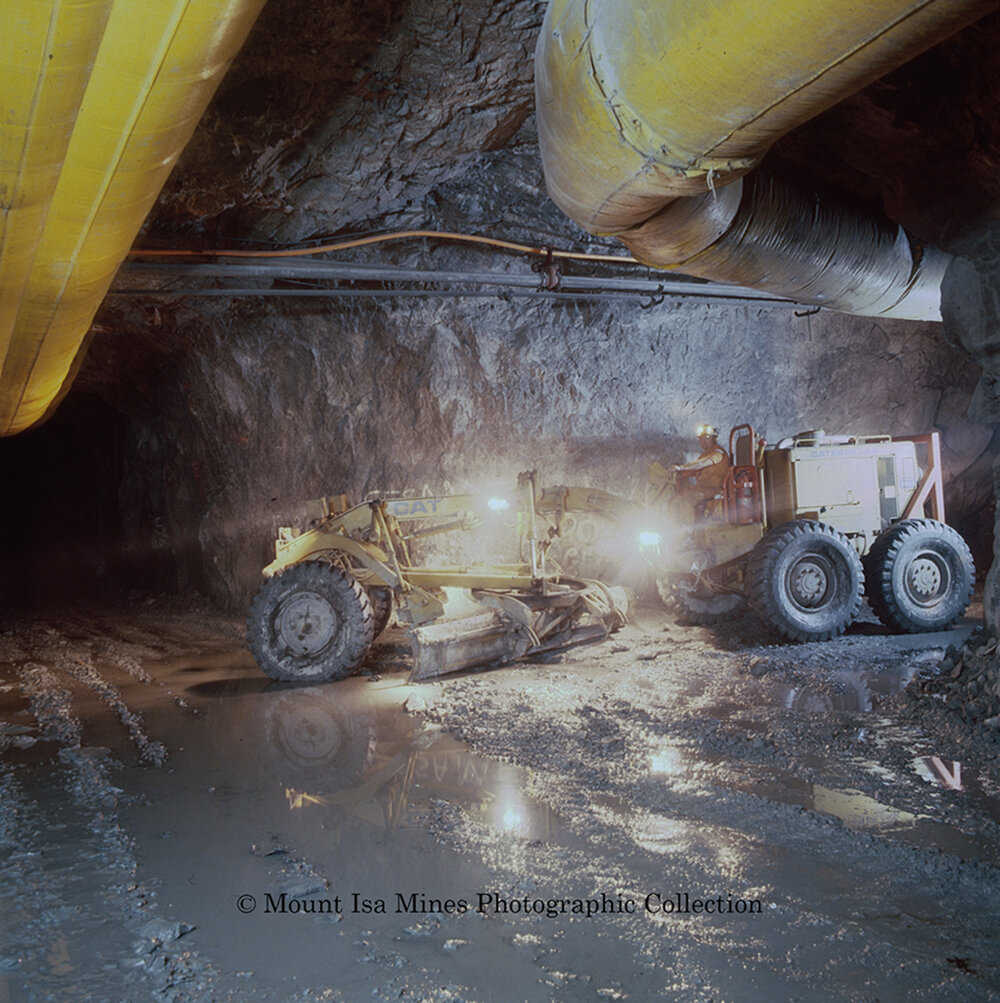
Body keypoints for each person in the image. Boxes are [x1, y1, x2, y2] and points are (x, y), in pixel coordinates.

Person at [671, 424, 732, 522]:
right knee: (680, 496)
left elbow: (702, 463)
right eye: (701, 439)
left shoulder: (718, 453)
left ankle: (691, 530)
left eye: (706, 438)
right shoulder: (706, 454)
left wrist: (681, 467)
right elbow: (695, 469)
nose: (702, 442)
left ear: (714, 439)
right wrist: (680, 474)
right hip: (703, 489)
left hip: (714, 491)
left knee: (686, 500)